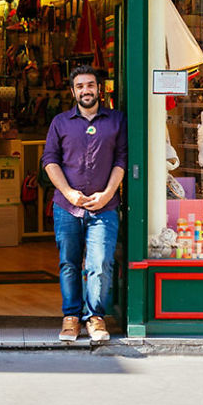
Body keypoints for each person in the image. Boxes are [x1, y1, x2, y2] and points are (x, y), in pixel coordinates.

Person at [41, 64, 127, 343]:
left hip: (105, 206)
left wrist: (106, 193)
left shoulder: (117, 121)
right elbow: (49, 161)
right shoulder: (60, 122)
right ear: (72, 91)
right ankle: (71, 317)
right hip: (67, 207)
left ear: (99, 89)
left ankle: (95, 317)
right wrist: (68, 193)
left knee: (100, 263)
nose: (86, 90)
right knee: (69, 263)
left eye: (90, 85)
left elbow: (121, 160)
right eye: (80, 86)